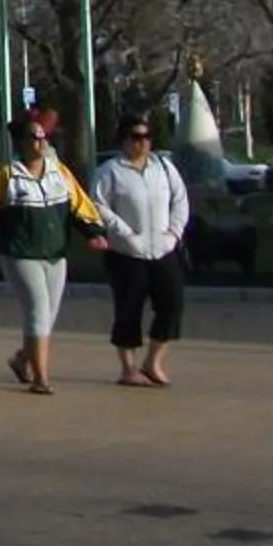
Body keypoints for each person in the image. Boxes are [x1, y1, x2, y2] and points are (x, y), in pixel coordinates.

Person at [0, 112, 106, 394]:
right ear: (20, 142)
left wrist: (94, 233)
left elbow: (79, 204)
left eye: (44, 136)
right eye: (34, 137)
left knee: (47, 316)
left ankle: (22, 359)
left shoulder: (59, 172)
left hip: (55, 254)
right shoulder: (8, 176)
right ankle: (40, 378)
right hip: (20, 254)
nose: (41, 142)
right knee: (38, 310)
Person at [94, 111, 192, 387]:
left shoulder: (163, 167)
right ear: (124, 140)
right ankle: (128, 368)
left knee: (172, 304)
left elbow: (180, 200)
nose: (143, 143)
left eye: (147, 137)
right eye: (137, 137)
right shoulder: (110, 171)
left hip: (163, 248)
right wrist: (125, 233)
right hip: (126, 253)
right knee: (128, 308)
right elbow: (99, 207)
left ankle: (153, 362)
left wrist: (173, 232)